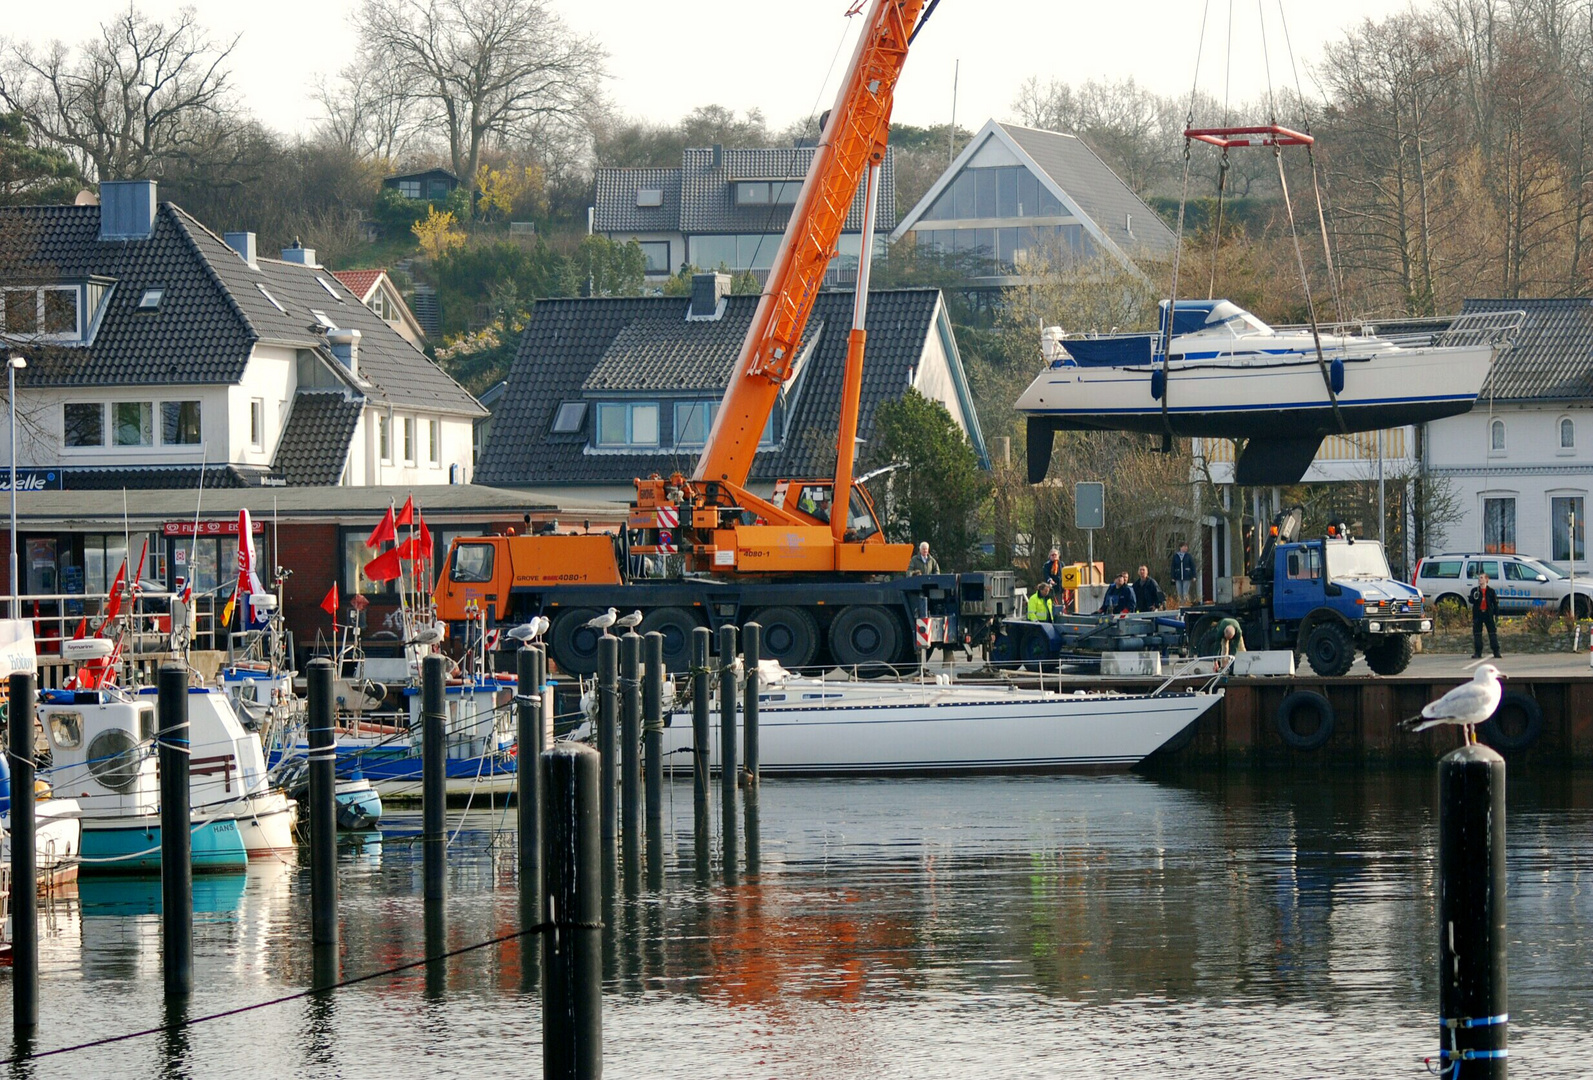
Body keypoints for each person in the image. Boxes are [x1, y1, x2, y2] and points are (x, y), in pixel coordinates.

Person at [1470, 571, 1501, 659]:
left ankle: (1496, 651)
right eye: (1479, 578)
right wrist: (1474, 597)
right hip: (1478, 614)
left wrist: (1496, 614)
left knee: (1492, 633)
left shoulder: (1491, 591)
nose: (1479, 580)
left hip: (1488, 614)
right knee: (1477, 633)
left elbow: (1495, 603)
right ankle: (1478, 652)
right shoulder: (1475, 590)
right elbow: (1471, 601)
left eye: (1481, 578)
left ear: (1486, 579)